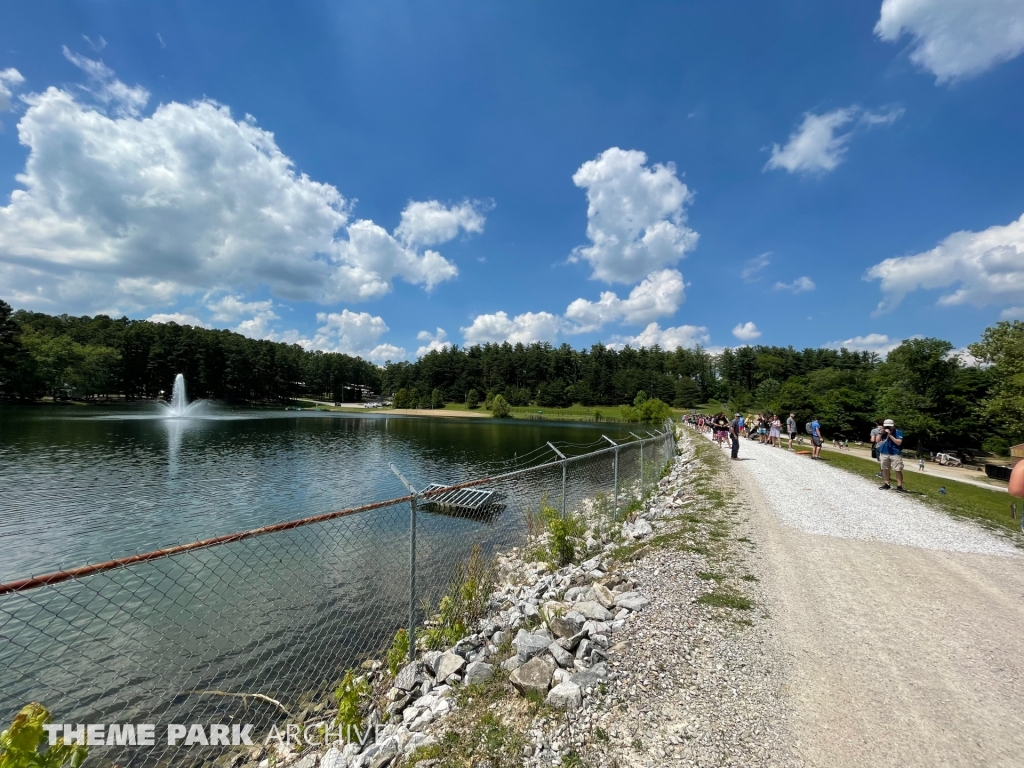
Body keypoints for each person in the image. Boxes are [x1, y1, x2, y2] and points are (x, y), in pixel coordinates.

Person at [876, 418, 905, 492]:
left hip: (895, 453)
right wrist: (880, 433)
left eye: (889, 426)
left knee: (897, 469)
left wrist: (890, 435)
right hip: (884, 452)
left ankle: (899, 486)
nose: (888, 427)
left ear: (893, 425)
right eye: (886, 426)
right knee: (885, 469)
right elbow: (877, 440)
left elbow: (898, 442)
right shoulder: (883, 432)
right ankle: (887, 484)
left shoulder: (898, 432)